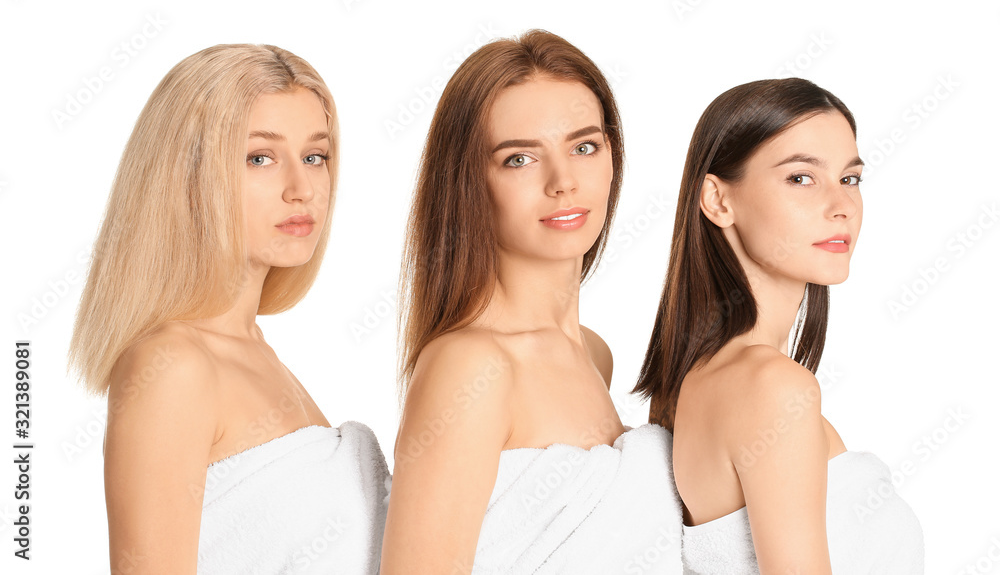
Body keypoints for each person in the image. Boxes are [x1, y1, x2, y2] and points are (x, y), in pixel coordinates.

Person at [68, 44, 389, 574]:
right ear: (187, 176)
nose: (301, 188)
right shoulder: (171, 365)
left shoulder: (258, 352)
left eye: (315, 156)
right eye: (259, 157)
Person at [380, 30, 682, 574]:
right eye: (520, 159)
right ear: (469, 181)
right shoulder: (471, 367)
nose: (563, 181)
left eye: (584, 147)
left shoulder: (593, 354)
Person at [633, 78, 923, 573]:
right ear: (718, 200)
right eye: (801, 178)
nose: (841, 206)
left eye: (850, 178)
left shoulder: (699, 382)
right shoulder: (774, 389)